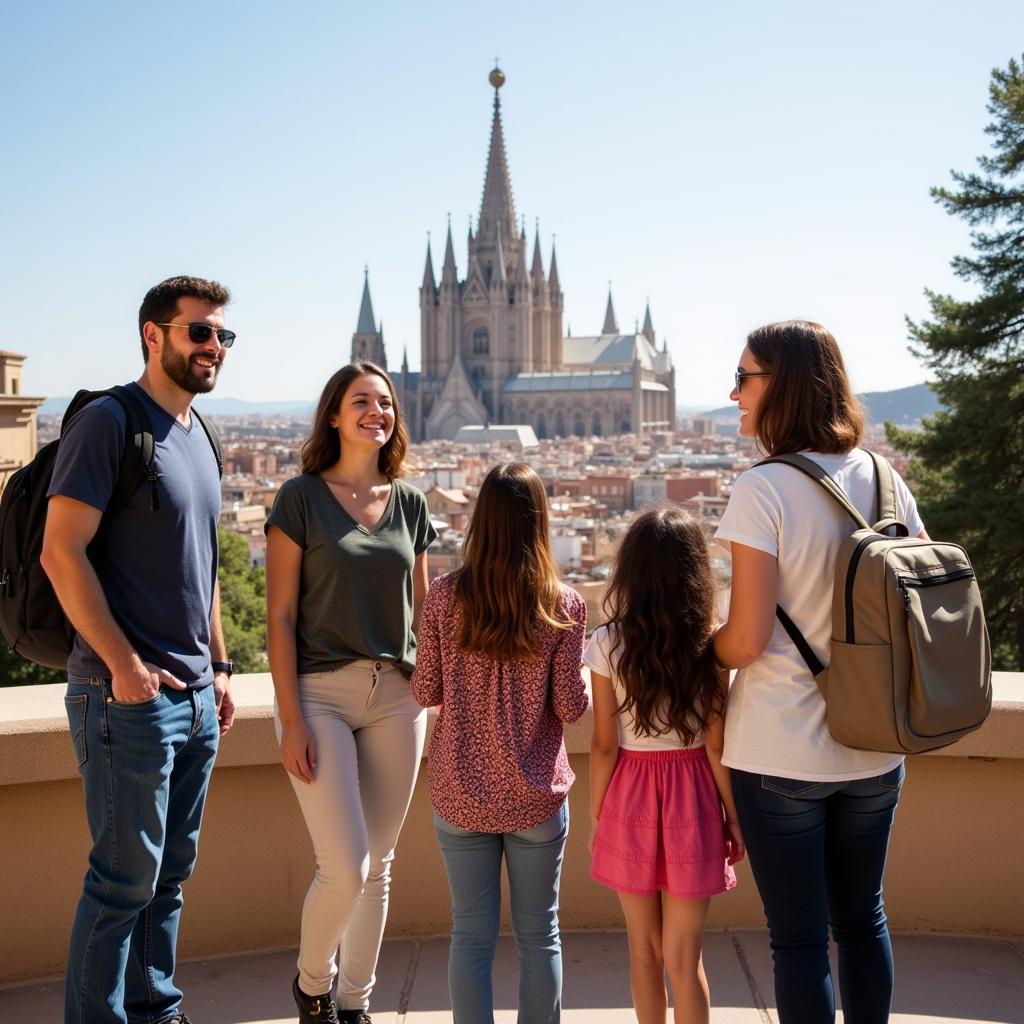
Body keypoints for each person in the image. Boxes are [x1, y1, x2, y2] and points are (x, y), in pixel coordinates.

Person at [712, 320, 926, 1024]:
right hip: (877, 740)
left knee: (799, 942)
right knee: (864, 920)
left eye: (745, 377)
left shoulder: (764, 488)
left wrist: (701, 652)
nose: (734, 392)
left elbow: (745, 640)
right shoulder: (885, 477)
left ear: (784, 385)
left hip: (781, 749)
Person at [41, 275, 237, 1024]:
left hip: (193, 699)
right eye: (198, 332)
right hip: (126, 697)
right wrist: (123, 665)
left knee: (169, 879)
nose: (213, 347)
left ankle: (157, 1012)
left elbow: (206, 567)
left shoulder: (201, 434)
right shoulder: (110, 422)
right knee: (123, 882)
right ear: (153, 336)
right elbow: (62, 554)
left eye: (222, 336)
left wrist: (218, 665)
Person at [265, 361, 435, 1024]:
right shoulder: (299, 498)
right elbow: (279, 616)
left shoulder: (411, 501)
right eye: (361, 400)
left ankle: (356, 1005)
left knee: (381, 865)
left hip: (397, 695)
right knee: (347, 867)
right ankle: (313, 986)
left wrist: (436, 693)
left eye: (385, 402)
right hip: (321, 695)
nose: (377, 411)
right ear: (334, 414)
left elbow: (426, 610)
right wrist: (290, 719)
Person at [410, 462, 588, 1024]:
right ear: (539, 524)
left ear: (480, 520)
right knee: (541, 935)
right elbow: (570, 708)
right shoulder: (563, 605)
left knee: (470, 936)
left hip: (461, 791)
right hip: (536, 795)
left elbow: (426, 690)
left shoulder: (443, 597)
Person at [586, 506, 743, 1024]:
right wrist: (733, 816)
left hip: (629, 790)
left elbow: (605, 743)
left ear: (631, 570)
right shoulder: (711, 645)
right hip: (694, 790)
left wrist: (596, 815)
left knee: (642, 952)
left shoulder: (608, 642)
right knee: (685, 958)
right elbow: (717, 744)